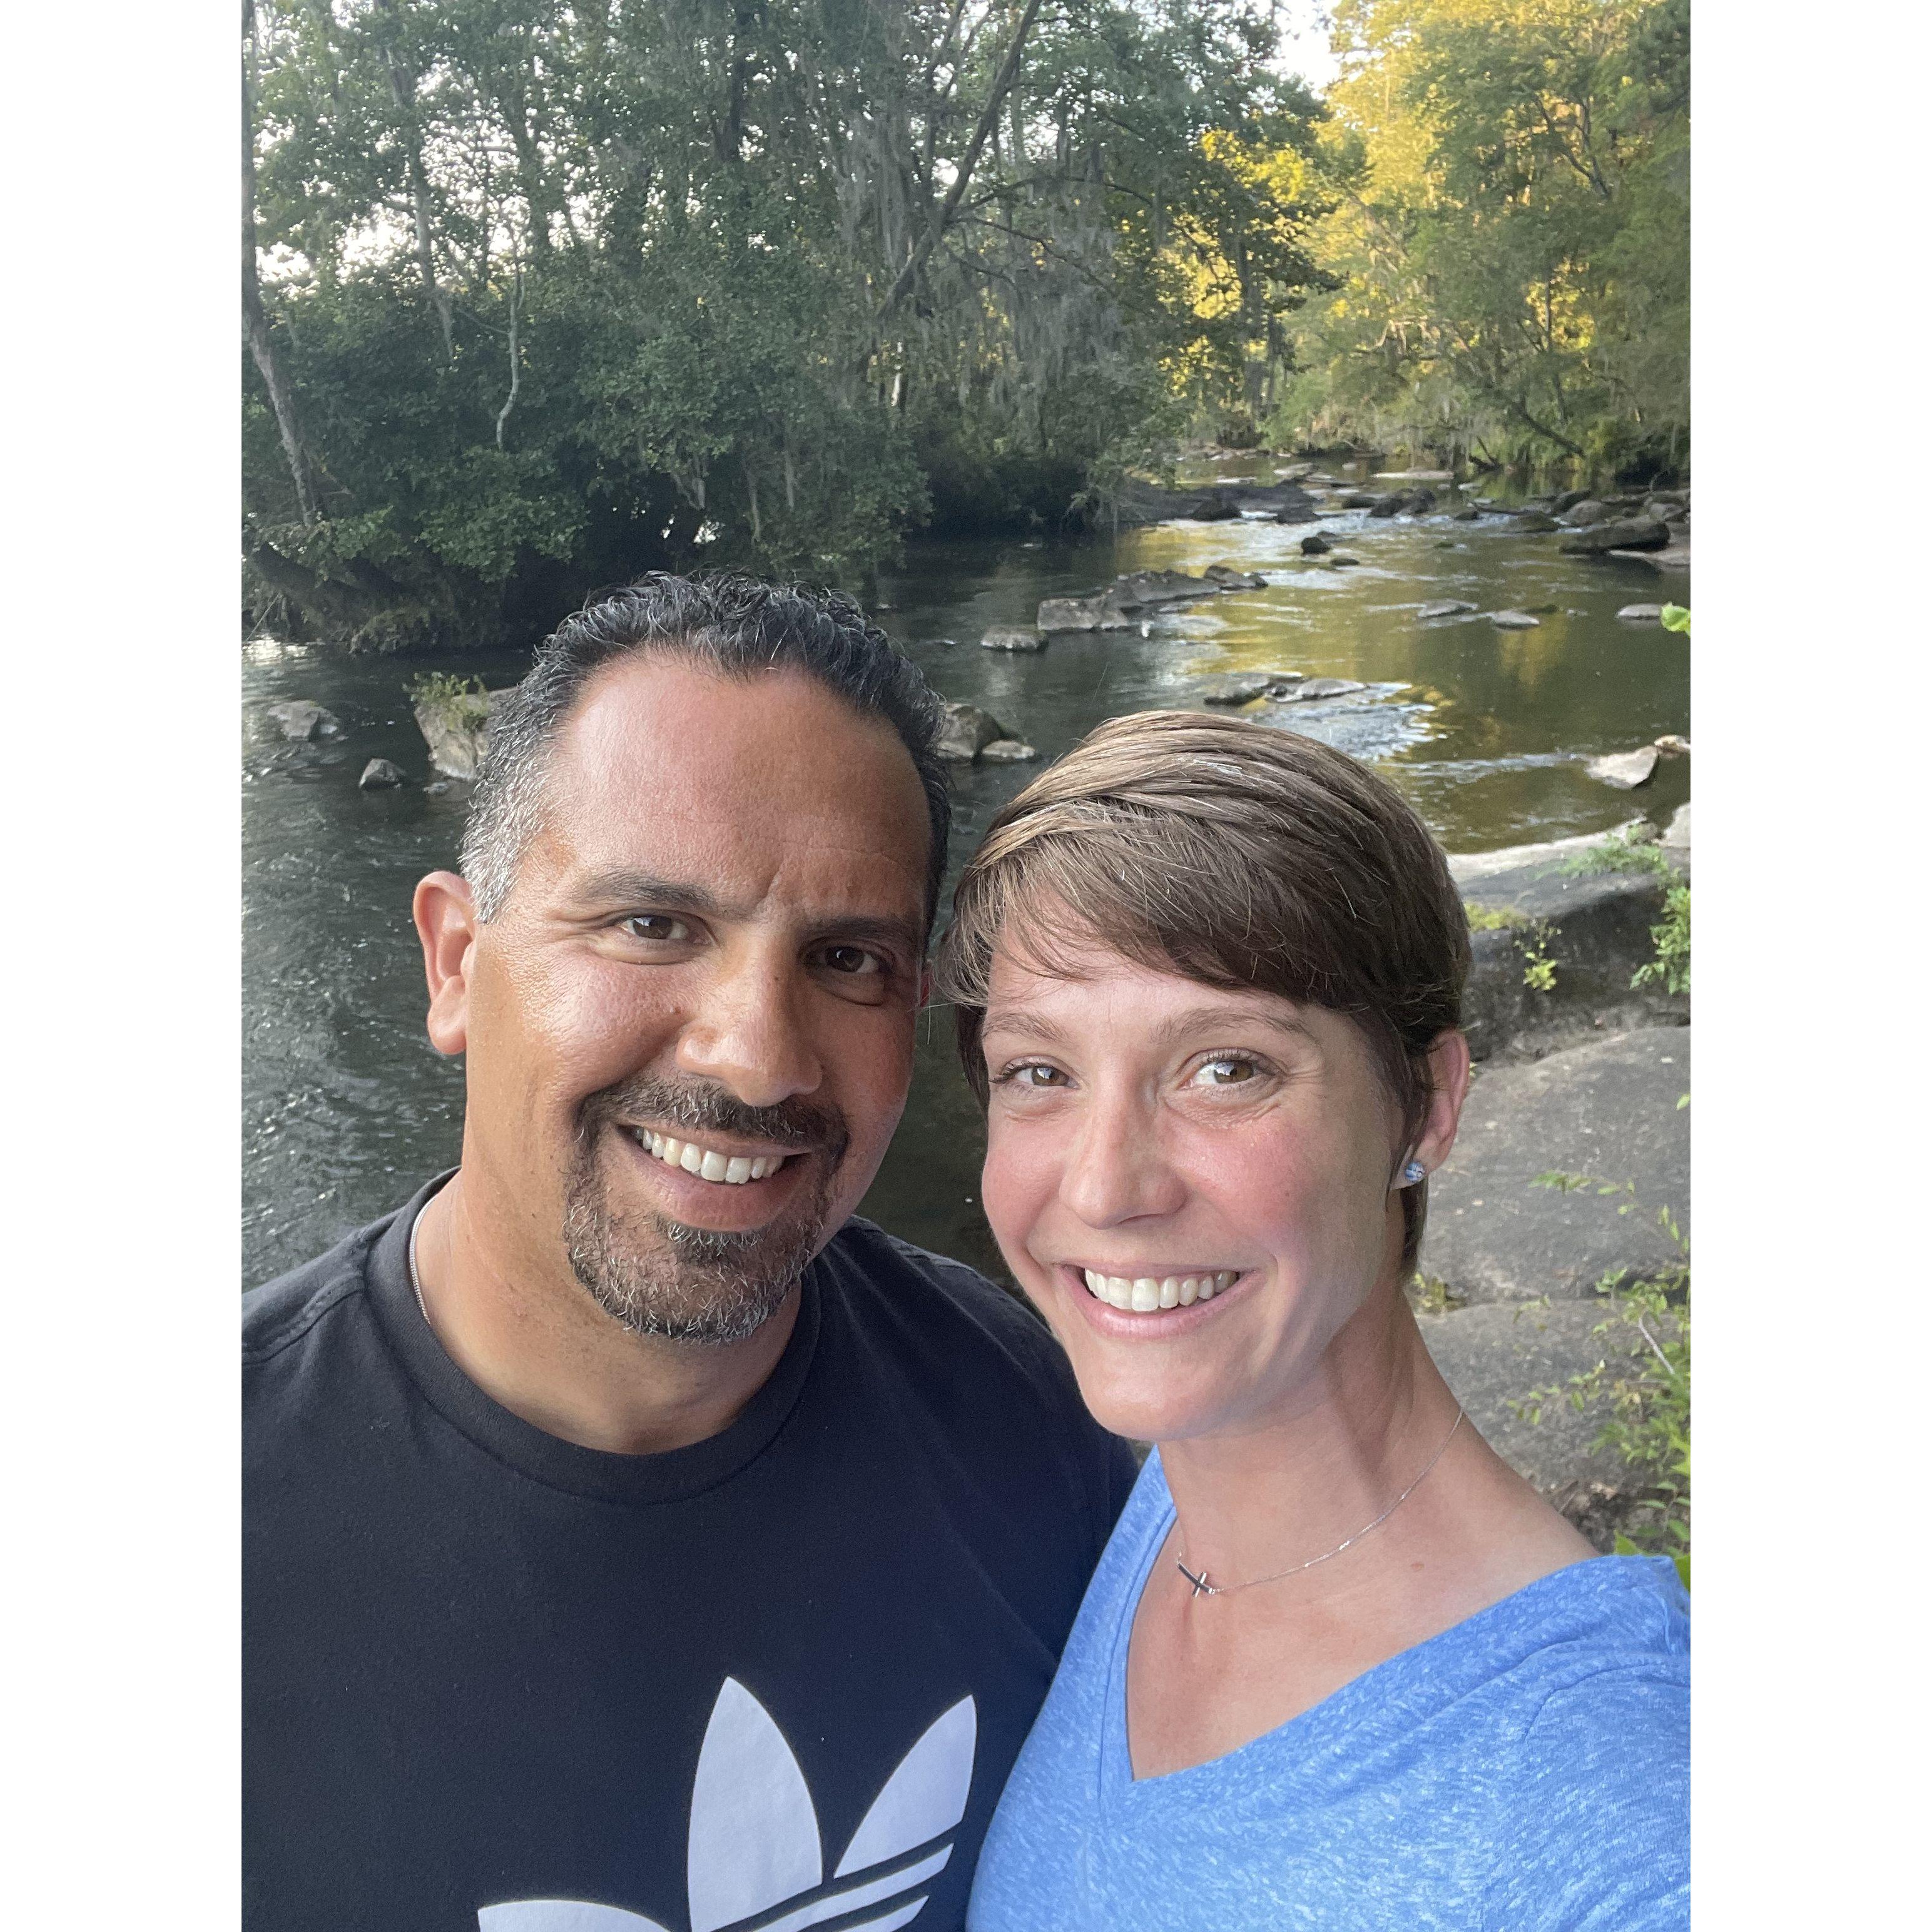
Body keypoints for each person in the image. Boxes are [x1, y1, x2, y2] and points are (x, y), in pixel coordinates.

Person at [243, 574, 1137, 1932]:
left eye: (845, 958)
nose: (757, 1053)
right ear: (452, 962)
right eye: (652, 923)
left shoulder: (1036, 1429)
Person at [939, 711, 1689, 1929]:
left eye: (1225, 1065)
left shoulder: (1621, 1832)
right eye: (1040, 1070)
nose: (1099, 1187)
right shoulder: (1175, 1491)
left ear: (1424, 1105)